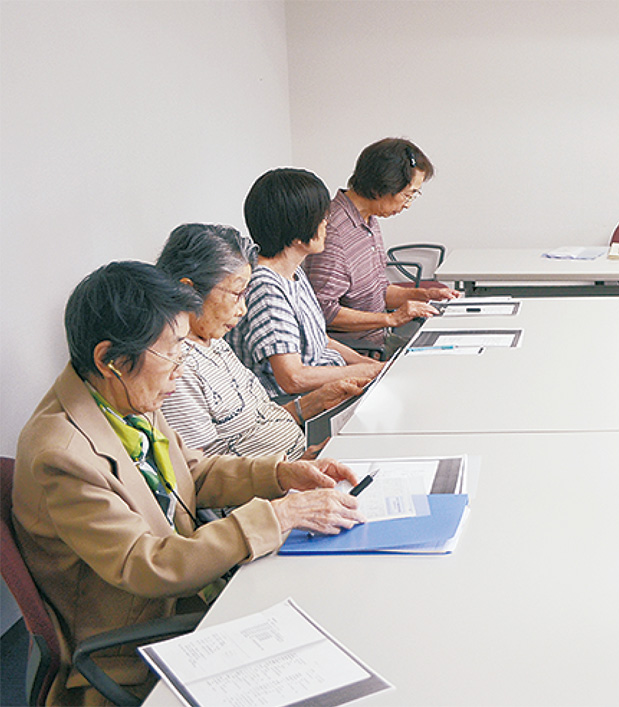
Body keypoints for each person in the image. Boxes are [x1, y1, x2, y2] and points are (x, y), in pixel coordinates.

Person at [12, 261, 366, 703]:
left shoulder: (122, 395)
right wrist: (276, 516)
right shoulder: (61, 453)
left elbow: (191, 472)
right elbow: (145, 564)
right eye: (173, 351)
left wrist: (278, 474)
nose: (180, 369)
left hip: (192, 600)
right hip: (136, 647)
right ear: (110, 359)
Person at [157, 223, 370, 460]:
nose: (243, 309)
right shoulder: (178, 370)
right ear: (189, 291)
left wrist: (314, 403)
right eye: (237, 294)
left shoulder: (213, 341)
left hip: (298, 459)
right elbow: (204, 476)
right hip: (279, 484)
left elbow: (256, 422)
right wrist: (292, 472)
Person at [228, 168, 384, 399]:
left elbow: (323, 342)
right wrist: (364, 370)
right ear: (297, 230)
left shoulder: (294, 274)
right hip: (302, 403)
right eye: (321, 218)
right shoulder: (265, 288)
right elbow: (293, 378)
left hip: (328, 384)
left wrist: (369, 364)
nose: (326, 225)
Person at [304, 137, 459, 355]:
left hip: (380, 340)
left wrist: (425, 295)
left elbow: (379, 291)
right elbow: (323, 311)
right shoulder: (333, 233)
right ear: (380, 188)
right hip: (355, 354)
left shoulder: (368, 219)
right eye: (407, 194)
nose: (408, 204)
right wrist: (390, 318)